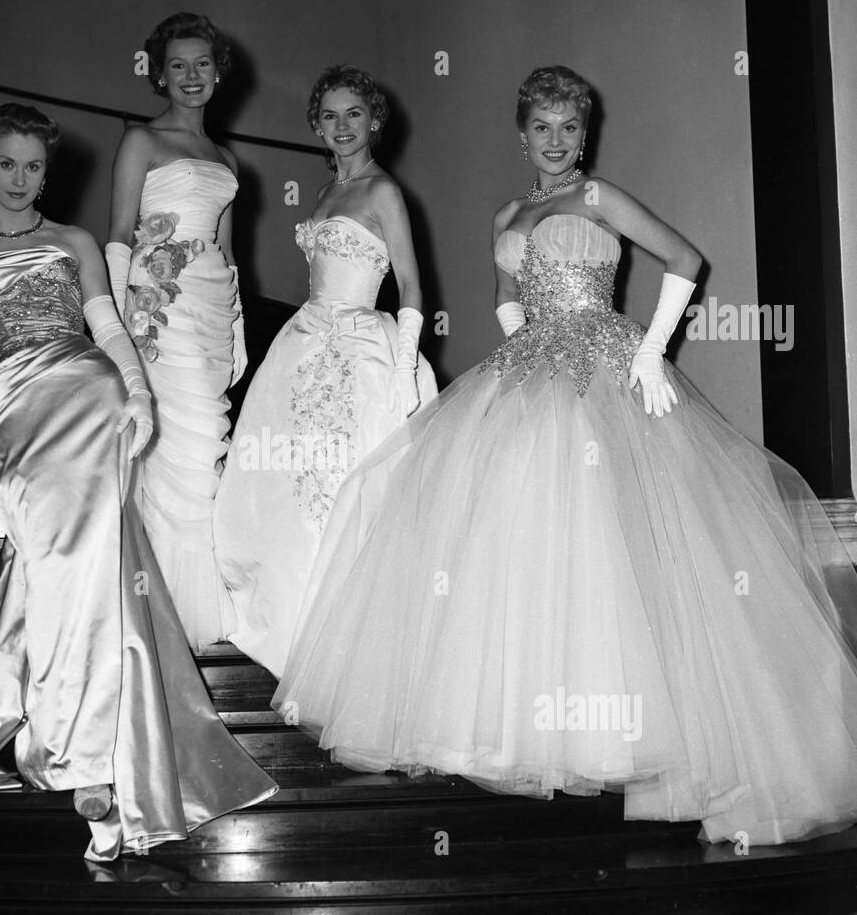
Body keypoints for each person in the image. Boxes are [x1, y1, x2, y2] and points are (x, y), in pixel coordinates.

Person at [274, 66, 857, 847]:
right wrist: (523, 366)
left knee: (625, 546)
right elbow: (506, 296)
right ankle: (535, 729)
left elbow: (685, 260)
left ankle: (662, 742)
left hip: (608, 367)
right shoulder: (510, 212)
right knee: (518, 546)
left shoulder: (598, 198)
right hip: (532, 372)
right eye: (542, 127)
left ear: (585, 134)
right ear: (523, 135)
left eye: (569, 128)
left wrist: (650, 355)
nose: (556, 141)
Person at [0, 102, 275, 862]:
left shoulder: (75, 241)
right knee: (55, 563)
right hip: (16, 406)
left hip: (93, 393)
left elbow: (109, 327)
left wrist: (135, 391)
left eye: (34, 165)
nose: (22, 179)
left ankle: (91, 770)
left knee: (97, 564)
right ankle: (80, 744)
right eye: (8, 164)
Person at [214, 65, 436, 677]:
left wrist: (403, 363)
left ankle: (346, 648)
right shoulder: (324, 193)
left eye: (354, 114)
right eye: (330, 116)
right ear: (316, 125)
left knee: (344, 484)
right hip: (305, 342)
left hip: (363, 348)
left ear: (375, 121)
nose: (342, 127)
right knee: (289, 479)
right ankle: (295, 628)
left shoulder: (384, 192)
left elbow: (414, 286)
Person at [106, 12, 243, 649]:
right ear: (159, 74)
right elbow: (116, 239)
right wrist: (111, 334)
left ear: (219, 72)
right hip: (159, 312)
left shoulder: (227, 157)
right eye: (178, 65)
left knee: (208, 442)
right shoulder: (141, 141)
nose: (192, 76)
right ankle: (163, 621)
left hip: (212, 311)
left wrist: (237, 329)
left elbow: (229, 253)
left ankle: (199, 606)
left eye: (203, 64)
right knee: (174, 453)